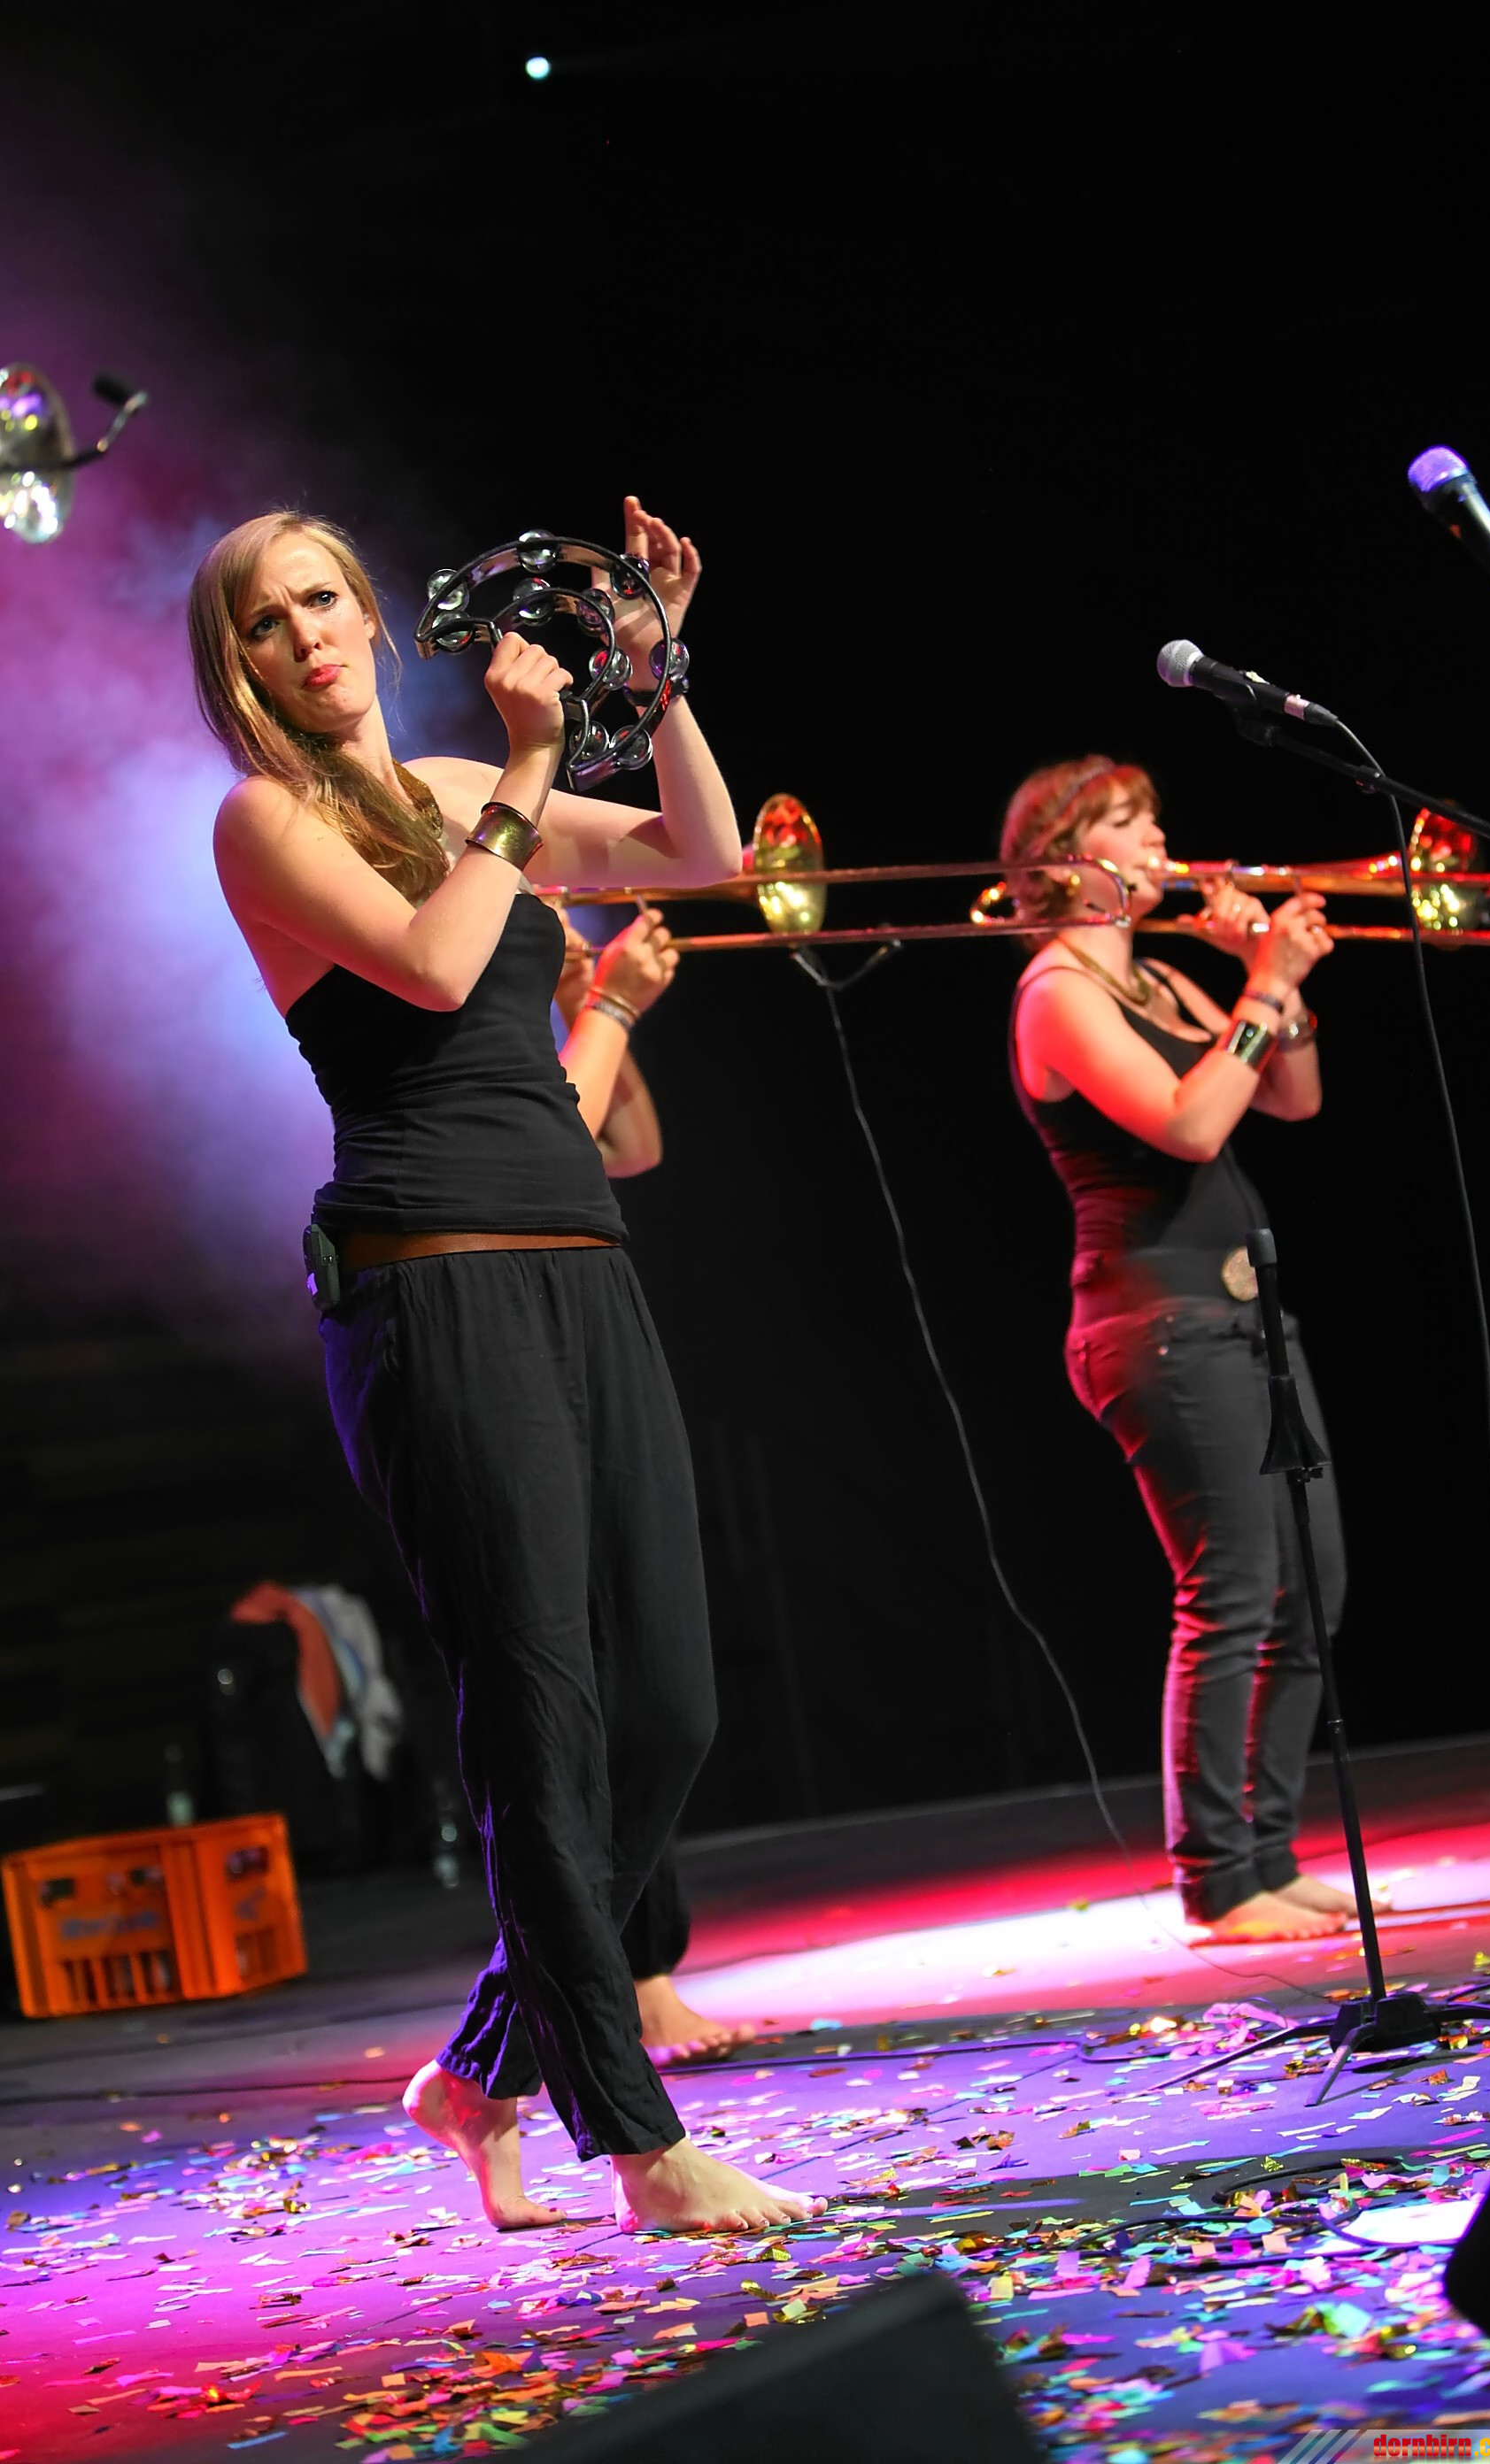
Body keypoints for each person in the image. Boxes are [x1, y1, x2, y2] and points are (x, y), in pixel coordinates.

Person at [189, 497, 822, 2234]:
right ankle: (636, 2143)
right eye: (266, 621)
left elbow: (697, 855)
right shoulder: (265, 822)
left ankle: (478, 2074)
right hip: (433, 1284)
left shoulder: (469, 789)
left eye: (323, 597)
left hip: (578, 1261)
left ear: (370, 615)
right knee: (543, 1715)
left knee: (669, 1706)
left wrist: (652, 669)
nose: (307, 634)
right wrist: (535, 769)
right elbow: (436, 959)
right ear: (241, 667)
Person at [1005, 756, 1352, 1943]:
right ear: (1064, 861)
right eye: (1126, 821)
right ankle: (1217, 1878)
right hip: (1157, 1323)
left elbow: (1292, 1096)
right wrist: (1266, 982)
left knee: (1312, 1588)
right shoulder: (1056, 992)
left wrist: (1271, 986)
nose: (1158, 839)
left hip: (1242, 1316)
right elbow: (1193, 1124)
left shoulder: (1155, 978)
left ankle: (1267, 1852)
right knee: (1235, 1591)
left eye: (1154, 816)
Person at [549, 902, 758, 2065]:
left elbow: (632, 1144)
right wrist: (611, 1003)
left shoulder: (537, 1025)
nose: (559, 916)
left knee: (648, 1674)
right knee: (590, 1669)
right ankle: (621, 1981)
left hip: (592, 1317)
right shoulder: (449, 1025)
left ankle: (638, 1973)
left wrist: (587, 1008)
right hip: (520, 1334)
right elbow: (556, 1139)